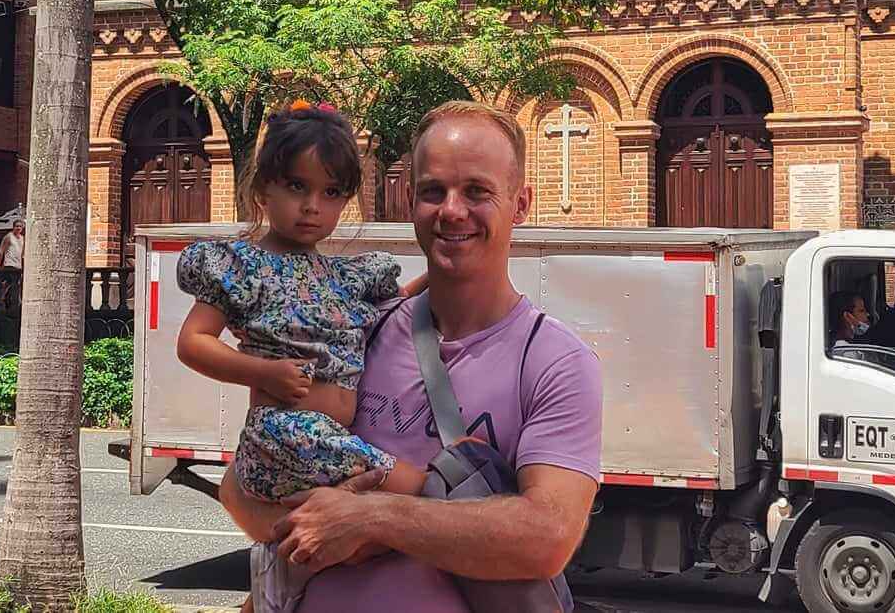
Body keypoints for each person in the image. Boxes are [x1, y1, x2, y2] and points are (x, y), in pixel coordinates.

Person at [220, 99, 603, 612]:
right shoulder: (359, 331)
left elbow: (546, 536)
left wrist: (369, 519)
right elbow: (240, 490)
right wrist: (324, 526)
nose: (451, 210)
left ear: (521, 204)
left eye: (477, 192)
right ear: (409, 201)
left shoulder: (554, 360)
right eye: (433, 191)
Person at [176, 104, 434, 571]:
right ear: (263, 188)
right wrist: (263, 372)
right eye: (297, 186)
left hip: (329, 439)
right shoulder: (245, 268)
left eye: (330, 192)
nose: (313, 205)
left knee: (325, 554)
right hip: (285, 435)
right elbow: (193, 341)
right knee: (422, 488)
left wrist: (438, 276)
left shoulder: (342, 277)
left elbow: (395, 307)